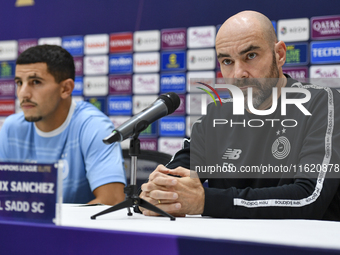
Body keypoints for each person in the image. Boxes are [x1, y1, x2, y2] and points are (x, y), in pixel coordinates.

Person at [139, 11, 340, 220]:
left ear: (279, 54)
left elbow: (309, 197)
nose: (238, 74)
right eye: (227, 61)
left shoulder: (322, 103)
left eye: (250, 56)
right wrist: (157, 193)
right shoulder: (217, 115)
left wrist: (205, 201)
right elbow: (172, 177)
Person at [0, 45, 126, 205]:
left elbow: (112, 201)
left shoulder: (93, 126)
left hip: (75, 230)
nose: (23, 93)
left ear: (66, 88)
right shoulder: (12, 128)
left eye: (35, 82)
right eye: (19, 82)